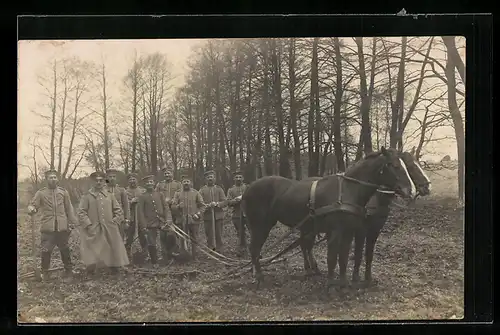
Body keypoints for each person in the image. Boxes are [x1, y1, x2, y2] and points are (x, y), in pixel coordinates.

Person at [27, 169, 77, 280]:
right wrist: (31, 208)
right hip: (47, 228)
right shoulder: (41, 193)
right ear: (47, 179)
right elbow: (33, 205)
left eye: (55, 177)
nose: (53, 179)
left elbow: (69, 209)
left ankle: (68, 271)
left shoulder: (63, 192)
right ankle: (45, 273)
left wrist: (72, 223)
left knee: (65, 249)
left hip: (62, 227)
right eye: (50, 177)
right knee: (46, 251)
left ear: (57, 179)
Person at [77, 171, 129, 277]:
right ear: (92, 182)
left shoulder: (109, 195)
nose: (99, 183)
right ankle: (91, 270)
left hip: (109, 226)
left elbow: (118, 210)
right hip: (94, 227)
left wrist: (115, 220)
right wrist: (88, 224)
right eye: (96, 181)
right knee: (93, 247)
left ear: (104, 182)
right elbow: (81, 212)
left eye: (101, 180)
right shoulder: (87, 196)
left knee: (112, 246)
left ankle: (114, 268)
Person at [137, 175, 174, 268]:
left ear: (154, 183)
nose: (149, 184)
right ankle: (155, 262)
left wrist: (168, 219)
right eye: (147, 182)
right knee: (151, 242)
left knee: (170, 236)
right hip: (150, 223)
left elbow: (166, 208)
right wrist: (144, 226)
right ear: (144, 185)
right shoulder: (142, 197)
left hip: (162, 222)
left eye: (151, 182)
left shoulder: (160, 194)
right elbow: (140, 212)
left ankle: (168, 257)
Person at [171, 175, 206, 261]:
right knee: (182, 238)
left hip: (193, 220)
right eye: (184, 182)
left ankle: (195, 256)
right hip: (181, 220)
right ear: (182, 183)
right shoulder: (177, 193)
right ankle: (184, 256)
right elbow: (173, 206)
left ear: (191, 183)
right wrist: (178, 206)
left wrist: (198, 214)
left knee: (194, 238)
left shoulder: (196, 193)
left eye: (188, 182)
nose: (186, 183)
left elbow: (203, 206)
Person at [198, 170, 227, 253]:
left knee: (219, 234)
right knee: (209, 234)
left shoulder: (219, 189)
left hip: (218, 216)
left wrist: (217, 204)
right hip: (208, 217)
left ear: (214, 178)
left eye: (211, 177)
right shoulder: (202, 190)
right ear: (205, 179)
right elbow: (199, 203)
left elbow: (225, 202)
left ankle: (219, 250)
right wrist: (207, 206)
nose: (210, 179)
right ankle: (211, 249)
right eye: (208, 177)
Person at [155, 167, 182, 254]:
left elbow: (181, 196)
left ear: (172, 174)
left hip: (175, 212)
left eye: (169, 173)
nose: (167, 175)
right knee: (163, 233)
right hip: (164, 213)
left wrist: (174, 201)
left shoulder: (178, 184)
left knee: (176, 232)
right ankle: (165, 253)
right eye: (165, 174)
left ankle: (178, 251)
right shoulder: (160, 185)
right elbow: (155, 196)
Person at [124, 172, 147, 261]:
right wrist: (131, 202)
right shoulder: (125, 192)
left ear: (137, 181)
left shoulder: (142, 191)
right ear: (128, 181)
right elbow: (122, 205)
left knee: (143, 237)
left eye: (134, 179)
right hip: (130, 218)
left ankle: (144, 255)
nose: (132, 181)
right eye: (130, 180)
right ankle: (128, 255)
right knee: (129, 237)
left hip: (141, 218)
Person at [226, 170, 249, 257]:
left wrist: (244, 198)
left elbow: (254, 198)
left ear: (243, 178)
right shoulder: (231, 190)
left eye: (240, 177)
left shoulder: (247, 188)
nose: (238, 179)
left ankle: (255, 249)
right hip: (236, 214)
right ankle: (242, 250)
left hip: (248, 214)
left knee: (252, 231)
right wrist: (236, 200)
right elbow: (228, 202)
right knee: (240, 233)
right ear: (234, 179)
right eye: (236, 177)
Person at [106, 169, 130, 240]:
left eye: (114, 177)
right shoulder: (102, 190)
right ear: (107, 178)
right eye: (110, 177)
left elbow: (126, 206)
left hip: (119, 220)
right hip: (107, 220)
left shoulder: (121, 190)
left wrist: (126, 219)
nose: (112, 178)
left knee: (120, 239)